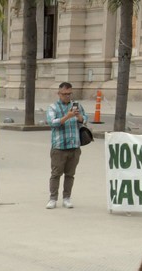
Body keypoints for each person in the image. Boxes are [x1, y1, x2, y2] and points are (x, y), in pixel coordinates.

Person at [47, 82, 83, 210]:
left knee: (70, 174)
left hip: (74, 145)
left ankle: (67, 198)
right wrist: (67, 116)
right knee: (56, 174)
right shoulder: (53, 107)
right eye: (64, 94)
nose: (67, 96)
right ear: (59, 94)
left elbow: (85, 119)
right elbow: (52, 123)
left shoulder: (77, 105)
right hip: (59, 146)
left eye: (69, 94)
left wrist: (79, 117)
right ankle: (53, 198)